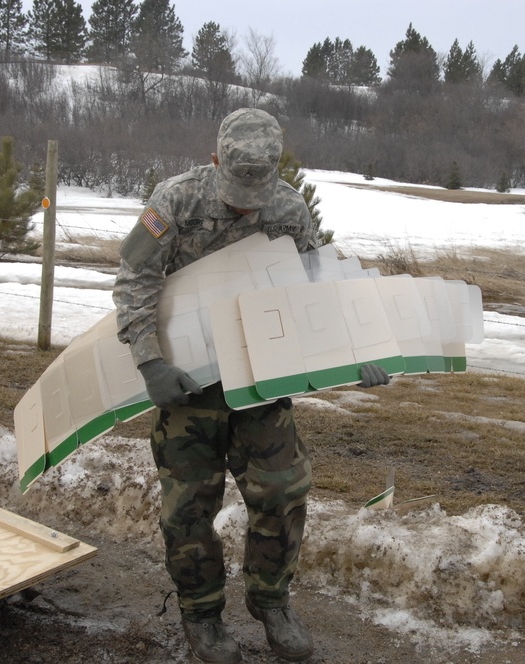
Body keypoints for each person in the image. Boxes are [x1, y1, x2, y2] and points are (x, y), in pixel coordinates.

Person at [113, 107, 389, 664]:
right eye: (237, 187)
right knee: (189, 506)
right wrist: (149, 362)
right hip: (188, 384)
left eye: (255, 189)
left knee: (283, 489)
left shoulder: (288, 207)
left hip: (261, 379)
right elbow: (134, 276)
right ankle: (203, 615)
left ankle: (271, 600)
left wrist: (355, 352)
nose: (246, 202)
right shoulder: (176, 200)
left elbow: (311, 288)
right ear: (215, 161)